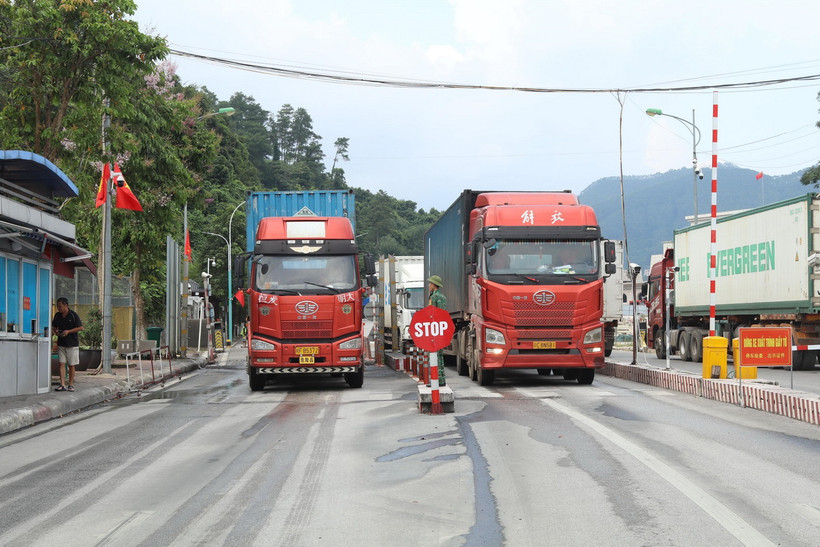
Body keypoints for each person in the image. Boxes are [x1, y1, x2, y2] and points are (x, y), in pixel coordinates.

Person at [51, 297, 83, 392]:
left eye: (60, 306)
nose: (58, 308)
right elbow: (54, 326)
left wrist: (68, 331)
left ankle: (71, 384)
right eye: (57, 306)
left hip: (72, 344)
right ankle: (62, 384)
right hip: (61, 343)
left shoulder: (73, 315)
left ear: (66, 305)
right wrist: (56, 331)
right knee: (61, 363)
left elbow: (80, 327)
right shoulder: (57, 315)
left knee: (71, 365)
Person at [427, 275, 447, 387]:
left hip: (434, 329)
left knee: (434, 355)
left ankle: (437, 380)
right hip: (441, 329)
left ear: (434, 285)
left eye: (430, 283)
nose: (429, 285)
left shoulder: (433, 297)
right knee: (440, 355)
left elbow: (431, 314)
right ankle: (442, 379)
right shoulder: (443, 297)